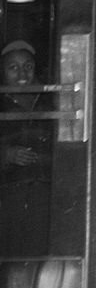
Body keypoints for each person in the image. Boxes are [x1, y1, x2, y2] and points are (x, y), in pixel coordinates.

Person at [0, 40, 55, 257]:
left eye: (28, 66)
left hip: (45, 193)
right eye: (13, 67)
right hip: (7, 195)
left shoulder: (51, 99)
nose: (22, 73)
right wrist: (5, 154)